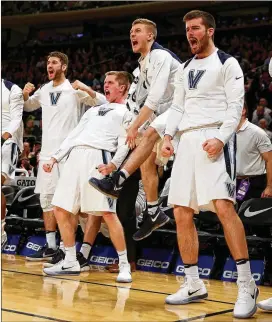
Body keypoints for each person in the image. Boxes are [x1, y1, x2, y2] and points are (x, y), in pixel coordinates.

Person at [161, 10, 258, 319]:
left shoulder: (227, 63)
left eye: (196, 28)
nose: (190, 33)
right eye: (187, 29)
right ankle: (192, 283)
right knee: (181, 211)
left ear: (210, 31)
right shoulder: (185, 68)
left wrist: (221, 137)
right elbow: (177, 106)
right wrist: (167, 136)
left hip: (215, 138)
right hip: (186, 141)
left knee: (223, 207)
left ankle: (246, 284)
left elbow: (235, 107)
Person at [89, 18, 181, 241]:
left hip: (184, 108)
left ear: (150, 36)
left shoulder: (160, 56)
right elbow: (136, 106)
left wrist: (136, 127)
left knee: (146, 135)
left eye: (137, 31)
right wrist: (133, 128)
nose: (132, 34)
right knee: (145, 159)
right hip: (164, 116)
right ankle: (153, 212)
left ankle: (117, 181)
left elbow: (155, 97)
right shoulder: (141, 67)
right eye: (130, 31)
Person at [42, 71, 133, 283]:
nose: (106, 86)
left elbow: (124, 142)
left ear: (123, 87)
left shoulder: (127, 111)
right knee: (60, 208)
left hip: (98, 157)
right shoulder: (94, 110)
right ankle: (71, 260)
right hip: (75, 157)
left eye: (110, 83)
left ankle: (124, 264)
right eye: (105, 82)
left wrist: (113, 164)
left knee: (107, 213)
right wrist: (55, 158)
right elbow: (73, 135)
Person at [23, 51, 107, 261]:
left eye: (54, 62)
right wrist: (25, 94)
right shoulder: (44, 90)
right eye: (48, 62)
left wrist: (87, 88)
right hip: (46, 155)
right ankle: (51, 246)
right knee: (47, 200)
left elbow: (104, 103)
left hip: (69, 154)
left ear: (64, 66)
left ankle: (66, 248)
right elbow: (27, 106)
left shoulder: (73, 90)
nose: (49, 65)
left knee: (68, 203)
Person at [1, 79, 24, 249]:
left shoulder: (12, 88)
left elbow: (17, 119)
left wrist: (3, 137)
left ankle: (1, 234)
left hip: (8, 142)